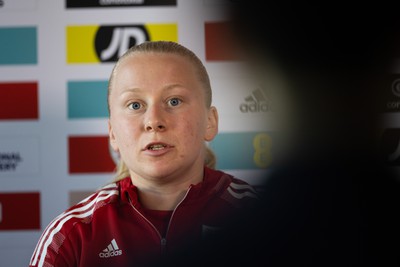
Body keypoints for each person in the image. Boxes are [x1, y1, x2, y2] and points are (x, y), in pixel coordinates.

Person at [29, 41, 259, 267]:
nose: (154, 121)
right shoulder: (70, 236)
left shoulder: (265, 217)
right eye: (135, 105)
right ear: (113, 133)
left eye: (174, 101)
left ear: (210, 122)